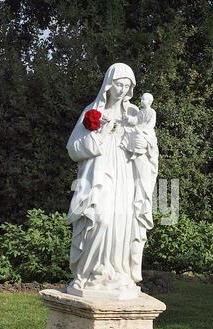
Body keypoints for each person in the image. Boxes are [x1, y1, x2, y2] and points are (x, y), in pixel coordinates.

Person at [66, 63, 159, 299]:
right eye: (119, 84)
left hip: (125, 175)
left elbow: (148, 144)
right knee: (100, 218)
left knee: (122, 225)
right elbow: (74, 148)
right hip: (99, 173)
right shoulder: (93, 111)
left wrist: (143, 147)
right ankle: (89, 274)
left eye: (127, 85)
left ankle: (118, 275)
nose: (123, 89)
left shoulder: (135, 114)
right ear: (109, 84)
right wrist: (101, 135)